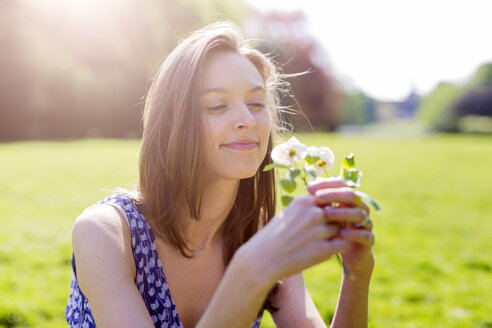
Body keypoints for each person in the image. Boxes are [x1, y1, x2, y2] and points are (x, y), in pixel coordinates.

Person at [65, 21, 375, 328]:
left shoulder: (265, 234)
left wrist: (357, 275)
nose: (246, 119)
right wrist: (249, 270)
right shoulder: (104, 234)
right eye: (216, 105)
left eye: (256, 103)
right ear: (172, 124)